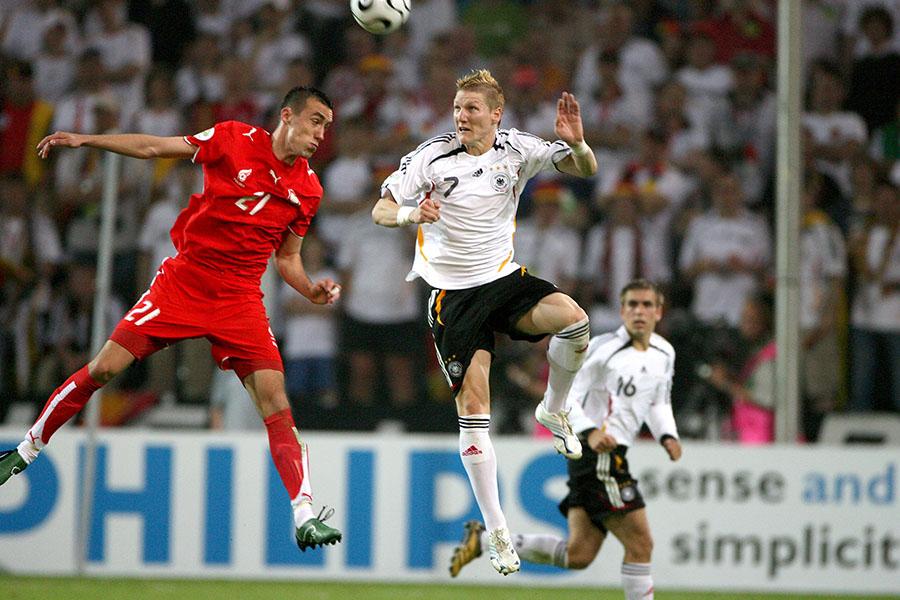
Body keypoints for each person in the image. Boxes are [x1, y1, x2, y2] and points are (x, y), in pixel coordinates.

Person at [0, 86, 343, 553]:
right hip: (185, 283)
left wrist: (311, 288)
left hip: (240, 298)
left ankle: (304, 513)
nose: (322, 133)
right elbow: (152, 147)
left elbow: (288, 259)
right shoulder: (233, 137)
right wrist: (87, 140)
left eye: (326, 124)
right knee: (103, 368)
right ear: (288, 115)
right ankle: (24, 451)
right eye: (317, 120)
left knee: (275, 401)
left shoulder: (309, 188)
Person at [372, 69, 598, 575]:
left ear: (496, 113)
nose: (462, 116)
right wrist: (411, 216)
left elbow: (584, 169)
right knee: (476, 406)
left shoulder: (518, 149)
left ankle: (554, 409)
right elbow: (381, 209)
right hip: (452, 298)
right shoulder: (432, 157)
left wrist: (578, 145)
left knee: (575, 320)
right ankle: (497, 530)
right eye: (457, 108)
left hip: (503, 279)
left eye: (472, 109)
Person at [449, 279, 682, 600]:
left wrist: (667, 434)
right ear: (621, 310)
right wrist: (590, 431)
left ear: (659, 311)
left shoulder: (664, 353)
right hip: (597, 454)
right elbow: (565, 396)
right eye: (632, 304)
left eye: (646, 305)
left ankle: (485, 541)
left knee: (579, 554)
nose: (639, 311)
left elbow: (658, 402)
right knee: (641, 544)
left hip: (611, 455)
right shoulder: (602, 350)